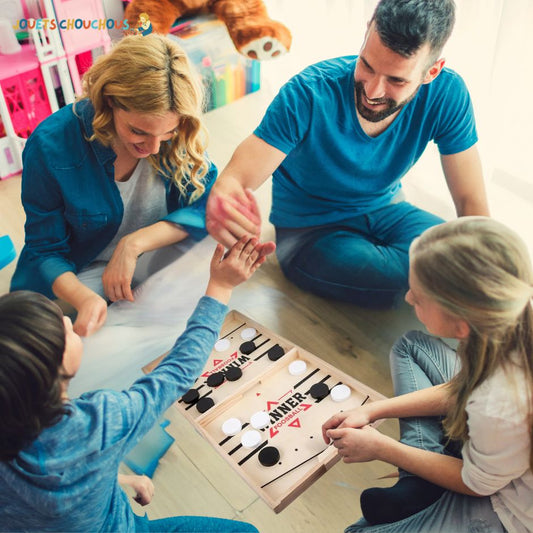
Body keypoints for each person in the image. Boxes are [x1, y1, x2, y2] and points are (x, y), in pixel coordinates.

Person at [205, 0, 490, 309]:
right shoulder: (308, 93)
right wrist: (224, 203)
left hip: (389, 209)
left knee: (463, 257)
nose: (373, 90)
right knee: (425, 277)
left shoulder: (448, 93)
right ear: (368, 30)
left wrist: (489, 267)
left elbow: (470, 202)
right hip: (309, 234)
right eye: (367, 65)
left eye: (396, 80)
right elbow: (236, 178)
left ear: (431, 71)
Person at [0, 235, 265, 532]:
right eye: (62, 331)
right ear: (56, 371)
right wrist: (221, 287)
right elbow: (177, 372)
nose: (65, 320)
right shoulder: (101, 423)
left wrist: (113, 476)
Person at [321, 217, 533, 532]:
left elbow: (477, 484)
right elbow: (462, 389)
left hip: (508, 508)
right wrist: (370, 409)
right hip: (498, 445)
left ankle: (421, 479)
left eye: (418, 297)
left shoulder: (498, 402)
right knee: (411, 347)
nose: (407, 298)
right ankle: (421, 484)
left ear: (462, 325)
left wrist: (381, 448)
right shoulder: (509, 318)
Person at [10, 34, 218, 336]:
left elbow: (208, 205)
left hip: (145, 258)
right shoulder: (51, 145)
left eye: (167, 133)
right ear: (109, 101)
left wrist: (133, 244)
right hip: (79, 271)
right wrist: (84, 299)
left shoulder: (177, 133)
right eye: (138, 131)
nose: (154, 148)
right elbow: (45, 250)